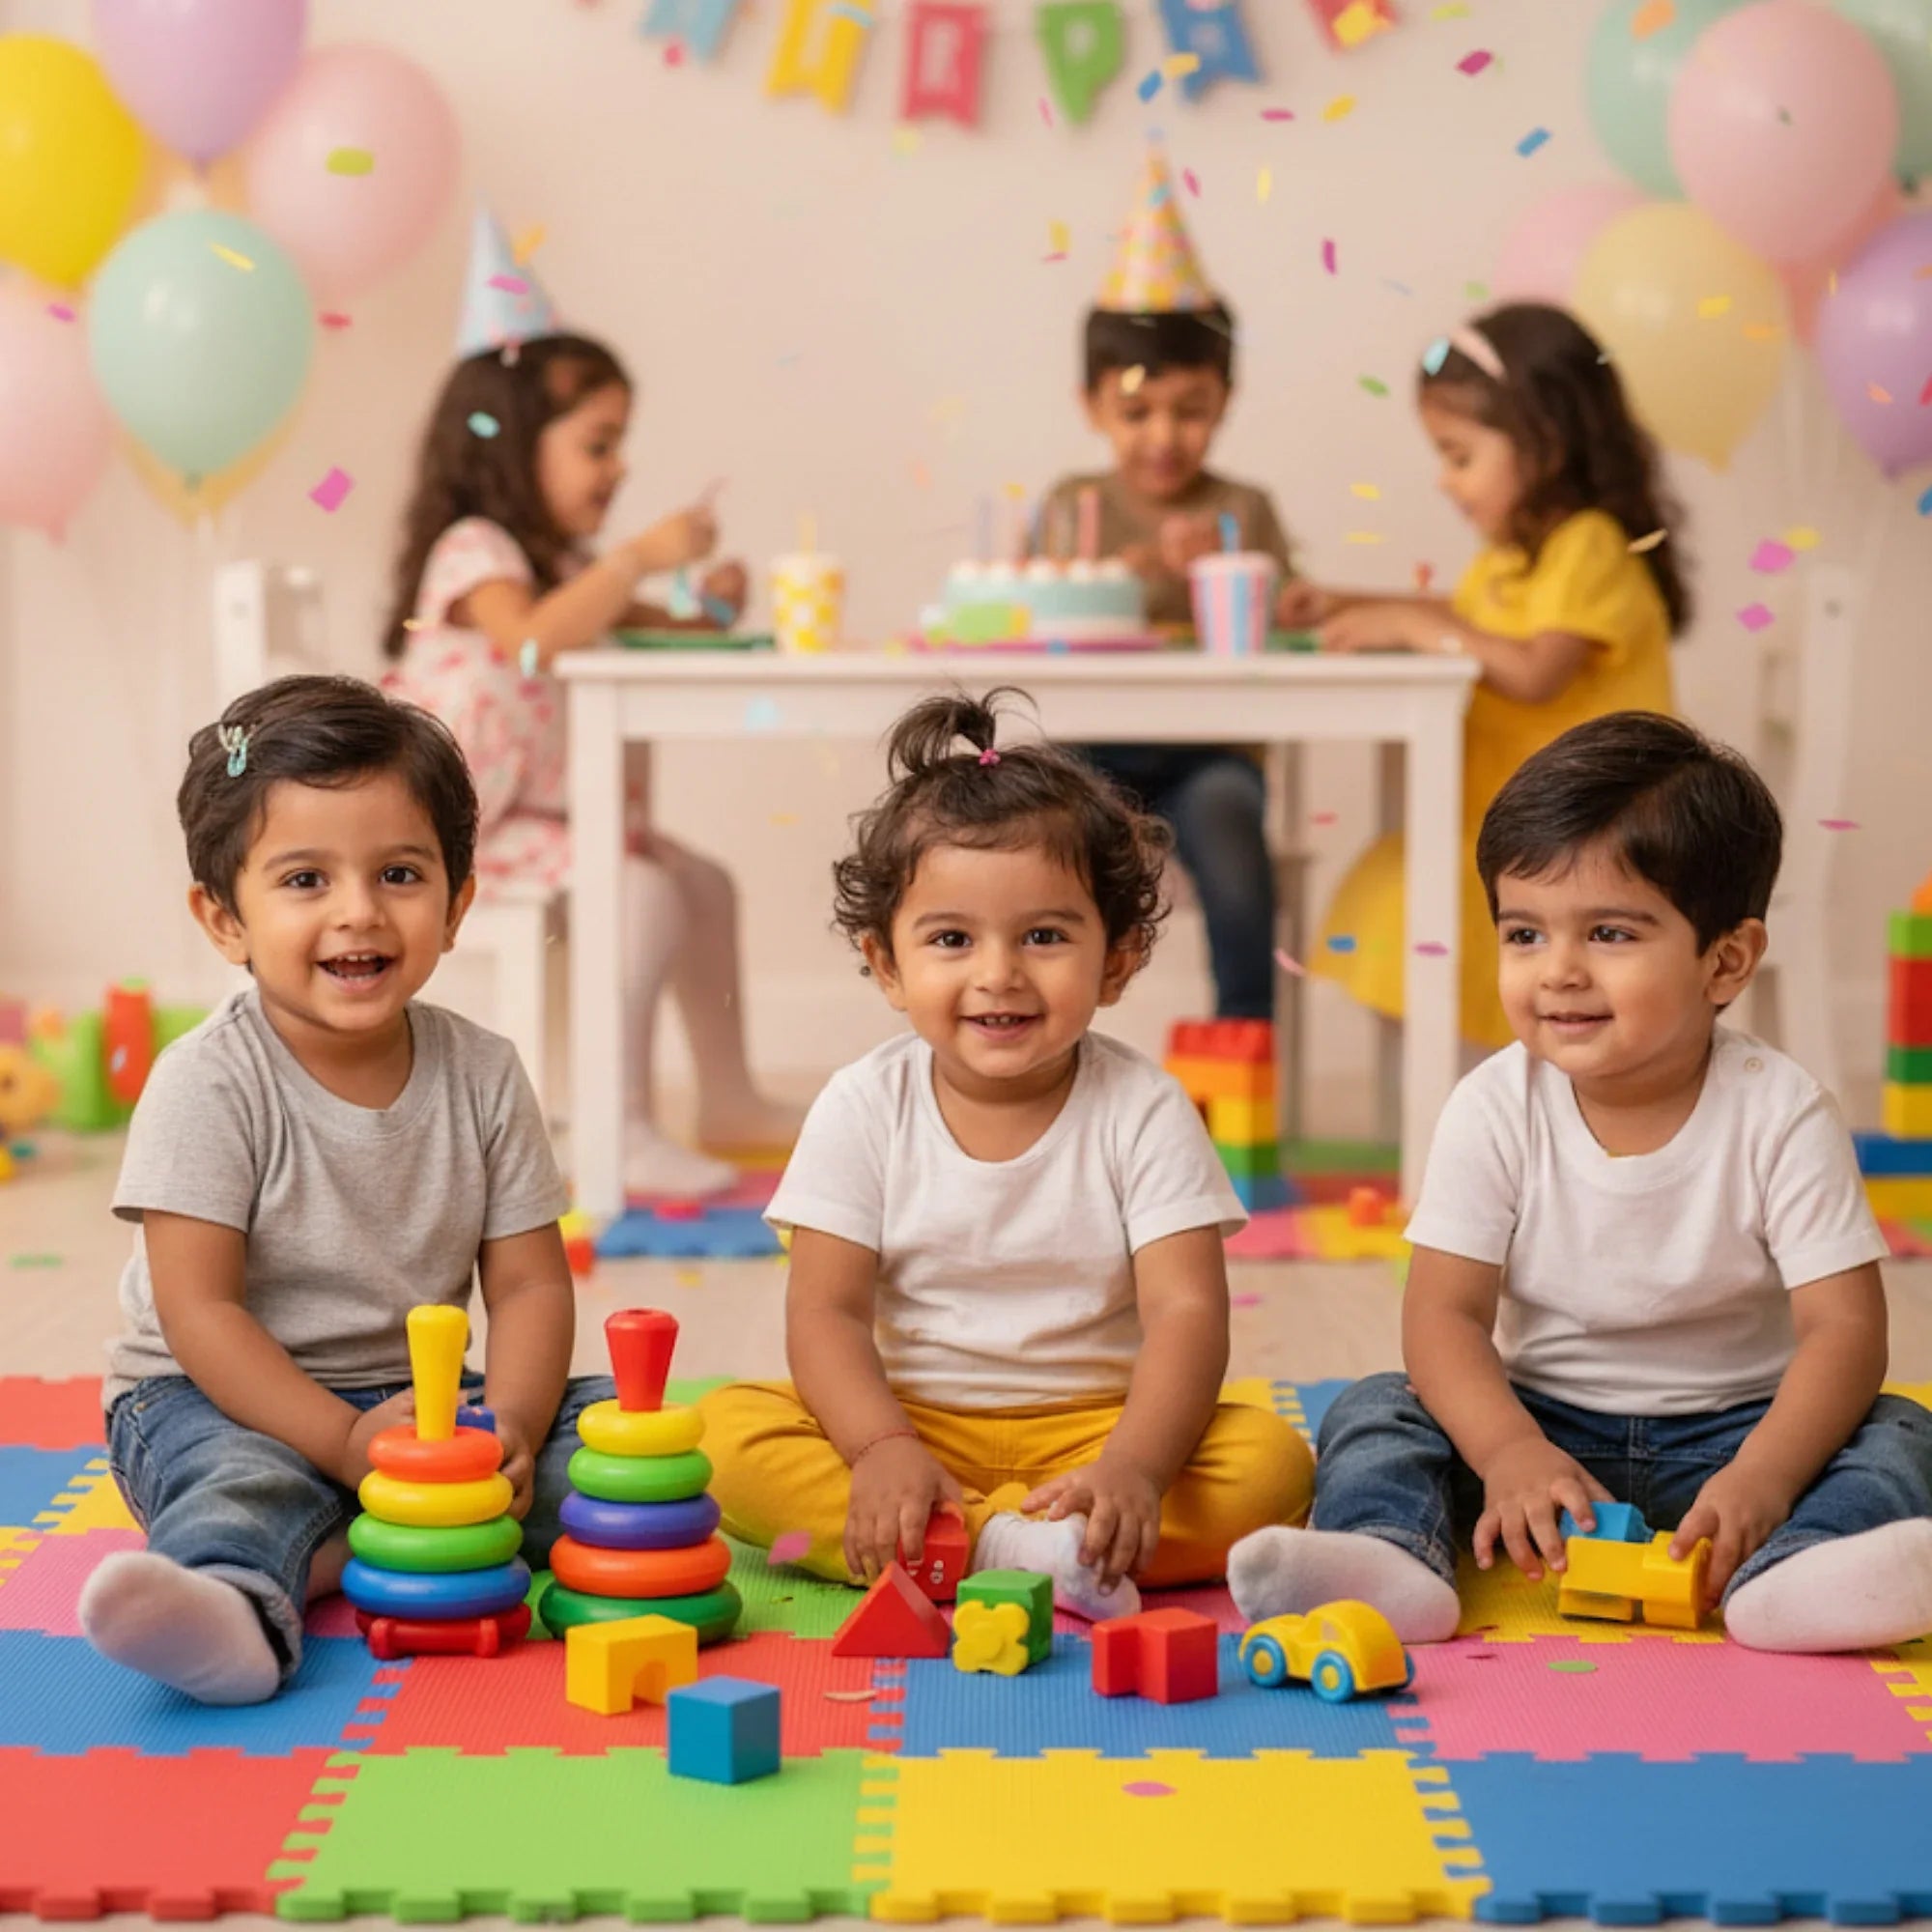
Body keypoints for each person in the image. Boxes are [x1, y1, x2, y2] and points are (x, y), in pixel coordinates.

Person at [1229, 712, 1932, 1655]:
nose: (1556, 970)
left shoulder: (1781, 1112)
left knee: (1895, 1431)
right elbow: (1442, 1316)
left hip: (1739, 1432)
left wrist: (1763, 1477)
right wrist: (1508, 1450)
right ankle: (1387, 1556)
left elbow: (1842, 1328)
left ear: (1723, 959)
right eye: (1523, 932)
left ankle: (1794, 1572)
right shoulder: (1491, 1105)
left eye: (1606, 931)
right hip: (1537, 1423)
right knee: (1375, 1405)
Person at [698, 691, 1311, 1619]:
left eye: (1044, 936)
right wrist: (877, 1450)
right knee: (723, 1437)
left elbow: (1188, 1311)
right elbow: (824, 1311)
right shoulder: (864, 1106)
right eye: (952, 939)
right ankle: (1022, 1547)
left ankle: (986, 1544)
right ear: (888, 964)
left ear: (1116, 960)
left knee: (1272, 1461)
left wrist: (1136, 1467)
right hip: (914, 1428)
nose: (999, 973)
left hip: (1098, 1434)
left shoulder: (1143, 1109)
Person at [78, 675, 616, 1704]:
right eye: (305, 879)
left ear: (457, 903)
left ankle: (346, 1545)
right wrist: (341, 1441)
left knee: (615, 1440)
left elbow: (533, 1289)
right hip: (215, 1396)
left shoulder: (486, 1070)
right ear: (223, 917)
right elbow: (200, 1311)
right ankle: (229, 1605)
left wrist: (503, 1423)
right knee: (242, 1485)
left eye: (400, 873)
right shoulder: (207, 1081)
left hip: (429, 1406)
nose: (358, 911)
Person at [382, 217, 798, 1197]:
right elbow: (533, 637)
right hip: (457, 824)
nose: (615, 469)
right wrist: (637, 559)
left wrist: (703, 606)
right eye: (597, 444)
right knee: (645, 890)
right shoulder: (476, 551)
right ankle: (622, 1124)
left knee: (704, 883)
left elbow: (628, 621)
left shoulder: (564, 568)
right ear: (515, 446)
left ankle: (729, 1094)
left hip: (540, 813)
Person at [1292, 302, 1688, 1050]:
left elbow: (1533, 669)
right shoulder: (1517, 557)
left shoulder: (1590, 546)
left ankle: (1482, 1090)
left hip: (1597, 827)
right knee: (1395, 885)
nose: (1446, 481)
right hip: (1520, 823)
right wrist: (1351, 601)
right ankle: (1465, 1096)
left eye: (1460, 455)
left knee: (1419, 892)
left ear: (1542, 443)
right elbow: (1472, 617)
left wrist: (1412, 628)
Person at [1036, 148, 1302, 1023]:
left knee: (1232, 840)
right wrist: (1131, 573)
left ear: (1225, 400)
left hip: (1207, 756)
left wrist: (1264, 594)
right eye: (1138, 411)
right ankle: (1044, 1037)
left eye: (1190, 410)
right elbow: (1035, 613)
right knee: (1035, 858)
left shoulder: (1243, 510)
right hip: (1083, 753)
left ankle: (1246, 1041)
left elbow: (1290, 627)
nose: (1165, 435)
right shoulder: (1074, 507)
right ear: (1091, 406)